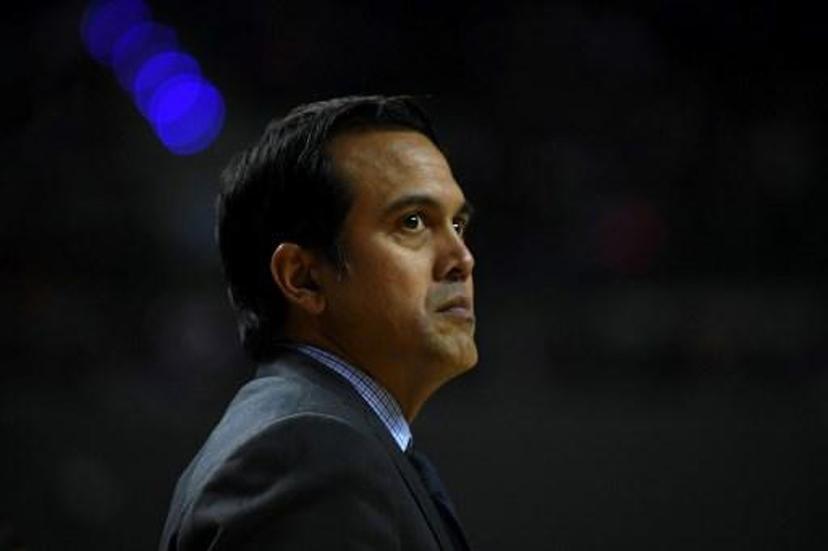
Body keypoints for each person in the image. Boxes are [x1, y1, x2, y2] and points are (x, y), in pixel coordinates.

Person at [159, 95, 478, 550]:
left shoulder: (324, 443)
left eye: (458, 226)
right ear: (303, 278)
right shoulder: (309, 457)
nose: (461, 258)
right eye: (412, 222)